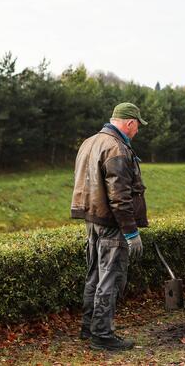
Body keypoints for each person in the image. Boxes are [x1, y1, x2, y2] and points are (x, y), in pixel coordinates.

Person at [70, 102, 149, 351]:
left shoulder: (89, 142)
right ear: (130, 123)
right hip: (112, 223)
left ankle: (89, 327)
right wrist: (131, 231)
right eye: (137, 127)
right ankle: (102, 335)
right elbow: (120, 197)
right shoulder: (117, 148)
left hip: (92, 219)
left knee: (94, 273)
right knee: (111, 276)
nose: (137, 132)